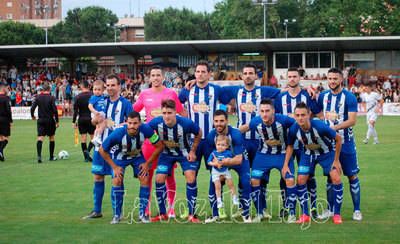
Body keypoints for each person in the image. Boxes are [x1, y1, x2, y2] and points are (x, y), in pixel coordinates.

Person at [224, 63, 280, 219]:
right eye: (245, 73)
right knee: (244, 175)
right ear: (241, 76)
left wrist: (306, 88)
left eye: (251, 73)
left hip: (260, 142)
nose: (248, 75)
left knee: (261, 177)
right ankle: (243, 208)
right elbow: (215, 89)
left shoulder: (264, 91)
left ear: (256, 76)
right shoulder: (236, 91)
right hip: (242, 142)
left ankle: (262, 209)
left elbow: (285, 91)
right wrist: (192, 82)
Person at [179, 61, 230, 219]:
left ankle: (215, 211)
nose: (200, 74)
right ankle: (191, 212)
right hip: (193, 141)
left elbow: (232, 96)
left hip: (211, 141)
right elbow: (178, 101)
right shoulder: (188, 90)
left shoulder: (216, 90)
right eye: (197, 72)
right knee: (191, 175)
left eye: (203, 72)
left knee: (216, 175)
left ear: (209, 74)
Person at [133, 65, 186, 218]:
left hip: (168, 142)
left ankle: (171, 208)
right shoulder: (144, 94)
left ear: (163, 77)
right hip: (150, 143)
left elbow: (182, 113)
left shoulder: (170, 93)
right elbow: (133, 112)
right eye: (153, 75)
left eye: (158, 75)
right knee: (147, 175)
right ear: (149, 78)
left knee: (169, 175)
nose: (155, 78)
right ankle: (147, 208)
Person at [283, 102, 344, 224]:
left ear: (309, 114)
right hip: (307, 154)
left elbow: (338, 139)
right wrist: (285, 165)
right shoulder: (294, 129)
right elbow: (290, 146)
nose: (300, 118)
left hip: (326, 154)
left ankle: (336, 214)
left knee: (336, 178)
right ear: (294, 116)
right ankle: (305, 214)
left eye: (303, 115)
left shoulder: (319, 126)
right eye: (297, 115)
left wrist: (336, 161)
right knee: (300, 179)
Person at [82, 74, 133, 220]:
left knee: (116, 179)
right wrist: (95, 120)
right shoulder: (102, 101)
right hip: (100, 148)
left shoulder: (125, 104)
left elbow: (133, 123)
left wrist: (119, 126)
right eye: (108, 85)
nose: (110, 88)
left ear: (119, 86)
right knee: (98, 177)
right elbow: (94, 121)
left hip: (117, 150)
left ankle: (117, 213)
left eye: (113, 85)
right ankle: (96, 210)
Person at [99, 111, 164, 224]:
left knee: (145, 177)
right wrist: (114, 167)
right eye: (129, 123)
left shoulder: (146, 130)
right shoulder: (118, 133)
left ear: (140, 123)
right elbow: (102, 150)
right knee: (117, 179)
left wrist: (148, 163)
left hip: (137, 156)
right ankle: (117, 215)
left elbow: (159, 146)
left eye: (135, 123)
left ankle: (142, 214)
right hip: (119, 157)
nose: (132, 126)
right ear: (126, 122)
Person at [274, 67, 321, 218]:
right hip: (286, 143)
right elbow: (276, 119)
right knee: (286, 175)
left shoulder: (307, 95)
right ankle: (287, 205)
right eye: (290, 77)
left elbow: (318, 114)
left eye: (295, 76)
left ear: (299, 78)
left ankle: (313, 207)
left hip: (305, 145)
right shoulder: (280, 98)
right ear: (286, 79)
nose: (292, 79)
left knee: (309, 176)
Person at [240, 99, 297, 223]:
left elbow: (297, 126)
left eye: (267, 111)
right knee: (254, 179)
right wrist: (227, 135)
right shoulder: (256, 122)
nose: (264, 114)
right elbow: (241, 130)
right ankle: (260, 212)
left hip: (282, 154)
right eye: (262, 111)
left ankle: (292, 213)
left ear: (273, 111)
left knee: (290, 179)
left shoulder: (283, 120)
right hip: (263, 155)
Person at [317, 68, 362, 221]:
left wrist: (332, 128)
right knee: (331, 177)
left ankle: (357, 210)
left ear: (341, 79)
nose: (332, 81)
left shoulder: (349, 97)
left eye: (335, 78)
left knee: (351, 175)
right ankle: (330, 210)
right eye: (329, 78)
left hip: (346, 143)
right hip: (328, 145)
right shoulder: (322, 96)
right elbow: (317, 112)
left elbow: (352, 121)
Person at [148, 99, 202, 223]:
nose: (166, 116)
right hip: (166, 155)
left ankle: (192, 214)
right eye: (164, 113)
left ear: (175, 112)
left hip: (184, 154)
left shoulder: (186, 123)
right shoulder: (156, 122)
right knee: (159, 178)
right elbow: (145, 130)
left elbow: (199, 133)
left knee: (191, 177)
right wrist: (156, 141)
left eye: (169, 113)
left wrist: (193, 151)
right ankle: (163, 214)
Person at [205, 110, 251, 223]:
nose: (218, 124)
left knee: (245, 182)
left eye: (221, 121)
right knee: (213, 183)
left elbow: (239, 159)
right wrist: (216, 165)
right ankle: (215, 214)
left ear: (227, 121)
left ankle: (245, 213)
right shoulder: (211, 135)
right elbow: (211, 157)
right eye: (216, 121)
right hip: (220, 162)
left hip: (238, 160)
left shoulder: (235, 134)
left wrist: (224, 162)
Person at [207, 135, 239, 217]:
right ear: (215, 144)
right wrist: (215, 163)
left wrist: (228, 161)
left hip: (225, 170)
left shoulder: (228, 153)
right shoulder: (214, 153)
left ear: (227, 146)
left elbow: (233, 159)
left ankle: (234, 198)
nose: (220, 147)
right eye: (218, 144)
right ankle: (219, 201)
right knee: (217, 186)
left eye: (223, 145)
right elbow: (208, 162)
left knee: (231, 184)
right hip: (215, 171)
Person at [30, 81, 59, 163]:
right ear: (49, 89)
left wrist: (32, 116)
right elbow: (55, 110)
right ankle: (51, 156)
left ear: (42, 89)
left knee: (40, 138)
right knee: (51, 137)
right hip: (50, 120)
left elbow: (32, 108)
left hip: (41, 120)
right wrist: (57, 121)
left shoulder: (38, 97)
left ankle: (39, 156)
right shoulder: (51, 98)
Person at [72, 80, 95, 162]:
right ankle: (88, 152)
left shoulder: (77, 97)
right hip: (91, 119)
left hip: (81, 119)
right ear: (89, 86)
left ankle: (86, 157)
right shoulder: (93, 95)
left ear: (81, 87)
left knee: (83, 138)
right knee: (94, 138)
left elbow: (75, 111)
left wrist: (73, 122)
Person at [88, 80, 107, 146]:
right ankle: (98, 137)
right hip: (97, 113)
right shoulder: (93, 97)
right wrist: (95, 112)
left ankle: (95, 138)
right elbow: (90, 106)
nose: (97, 91)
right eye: (95, 89)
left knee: (98, 127)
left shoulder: (103, 96)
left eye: (99, 90)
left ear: (102, 90)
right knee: (103, 124)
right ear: (92, 89)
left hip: (100, 113)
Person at [0, 83, 12, 161]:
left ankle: (1, 156)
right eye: (7, 88)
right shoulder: (6, 98)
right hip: (4, 120)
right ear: (3, 89)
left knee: (1, 137)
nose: (8, 90)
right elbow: (8, 110)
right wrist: (10, 121)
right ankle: (0, 150)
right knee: (6, 138)